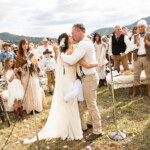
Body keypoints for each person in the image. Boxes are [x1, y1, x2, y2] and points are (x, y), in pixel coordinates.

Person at [24, 32, 98, 143]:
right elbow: (84, 64)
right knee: (72, 108)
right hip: (69, 82)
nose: (71, 36)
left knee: (72, 108)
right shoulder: (71, 52)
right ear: (66, 41)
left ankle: (73, 129)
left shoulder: (65, 52)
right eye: (69, 36)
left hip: (69, 81)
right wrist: (95, 63)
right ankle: (75, 133)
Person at [61, 24, 102, 141]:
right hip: (87, 77)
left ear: (79, 31)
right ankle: (90, 122)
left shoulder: (83, 44)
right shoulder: (84, 42)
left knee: (91, 105)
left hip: (89, 78)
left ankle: (97, 130)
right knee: (90, 102)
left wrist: (62, 55)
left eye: (73, 33)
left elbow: (72, 60)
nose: (72, 35)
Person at [16, 38, 43, 114]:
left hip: (32, 74)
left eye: (27, 44)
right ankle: (30, 109)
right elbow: (17, 68)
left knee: (35, 89)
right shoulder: (19, 56)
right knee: (28, 91)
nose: (25, 45)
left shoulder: (31, 53)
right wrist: (24, 66)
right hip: (25, 75)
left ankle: (37, 107)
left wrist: (32, 62)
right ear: (21, 45)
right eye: (24, 44)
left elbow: (36, 63)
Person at [130, 20, 150, 98]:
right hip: (137, 58)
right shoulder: (134, 36)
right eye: (139, 27)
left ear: (145, 27)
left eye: (142, 26)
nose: (141, 28)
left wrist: (146, 42)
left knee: (149, 75)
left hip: (147, 57)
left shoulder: (149, 35)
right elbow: (131, 48)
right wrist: (137, 44)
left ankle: (149, 92)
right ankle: (134, 92)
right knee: (136, 75)